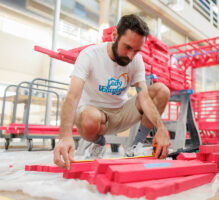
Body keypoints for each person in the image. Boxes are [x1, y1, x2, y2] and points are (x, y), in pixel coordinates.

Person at [54, 14, 171, 170]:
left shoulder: (136, 60)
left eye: (136, 50)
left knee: (161, 91)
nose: (130, 56)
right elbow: (72, 96)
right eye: (127, 47)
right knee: (89, 118)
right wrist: (65, 136)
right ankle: (99, 143)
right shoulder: (90, 55)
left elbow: (144, 96)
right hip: (94, 116)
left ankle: (135, 147)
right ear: (115, 35)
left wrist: (161, 128)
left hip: (121, 113)